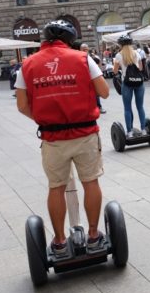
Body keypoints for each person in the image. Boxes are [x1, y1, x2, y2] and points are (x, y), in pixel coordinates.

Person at [15, 20, 109, 257]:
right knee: (90, 182)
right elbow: (104, 92)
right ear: (69, 39)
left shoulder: (27, 64)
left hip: (52, 137)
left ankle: (58, 242)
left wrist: (43, 118)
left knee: (56, 188)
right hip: (85, 133)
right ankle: (94, 235)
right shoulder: (82, 58)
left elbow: (22, 105)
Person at [114, 35, 147, 138]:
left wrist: (119, 68)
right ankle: (143, 130)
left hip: (127, 83)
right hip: (139, 83)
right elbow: (141, 68)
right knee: (140, 107)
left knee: (127, 108)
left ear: (120, 45)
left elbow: (114, 71)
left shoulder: (119, 55)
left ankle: (129, 132)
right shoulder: (137, 53)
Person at [80, 43, 107, 113]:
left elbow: (98, 64)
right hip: (84, 79)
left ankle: (99, 107)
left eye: (86, 49)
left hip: (92, 78)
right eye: (83, 49)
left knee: (96, 94)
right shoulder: (79, 57)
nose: (85, 51)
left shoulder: (91, 57)